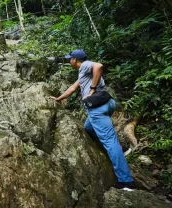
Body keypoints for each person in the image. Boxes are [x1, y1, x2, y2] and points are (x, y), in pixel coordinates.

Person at [51, 49, 135, 191]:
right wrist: (59, 99)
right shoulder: (83, 74)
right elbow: (72, 88)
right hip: (108, 104)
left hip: (97, 109)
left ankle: (126, 182)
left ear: (74, 60)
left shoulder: (85, 65)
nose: (68, 61)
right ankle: (119, 148)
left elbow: (99, 66)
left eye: (69, 59)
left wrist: (92, 89)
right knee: (88, 128)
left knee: (109, 140)